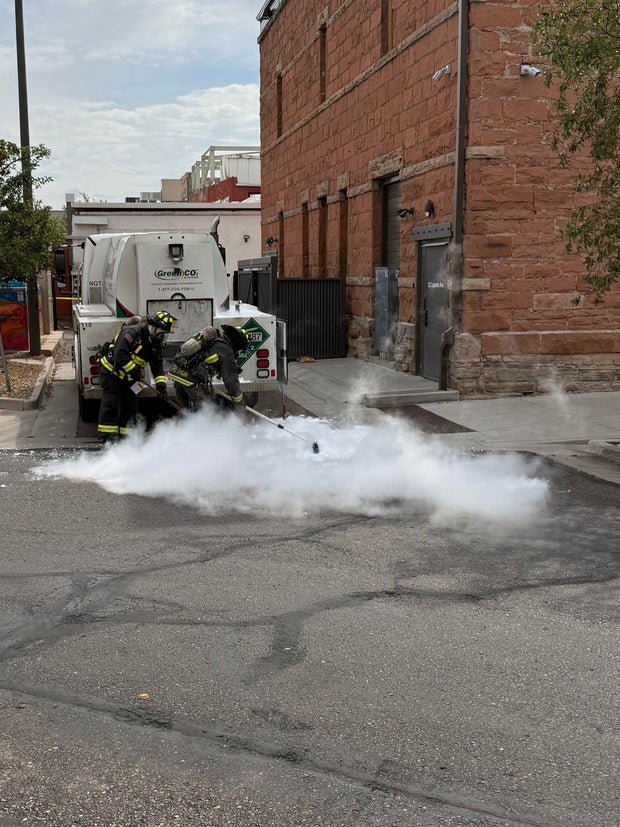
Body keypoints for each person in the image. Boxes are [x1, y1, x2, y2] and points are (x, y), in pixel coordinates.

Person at [97, 310, 177, 441]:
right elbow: (120, 353)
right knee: (111, 405)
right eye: (162, 333)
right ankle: (107, 439)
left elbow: (157, 365)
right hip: (112, 374)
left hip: (130, 378)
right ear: (154, 328)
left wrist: (161, 385)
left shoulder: (154, 343)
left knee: (130, 406)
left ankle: (126, 438)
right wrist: (134, 370)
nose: (163, 337)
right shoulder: (133, 333)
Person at [168, 324, 249, 412]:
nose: (237, 353)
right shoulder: (227, 351)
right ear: (238, 343)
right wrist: (240, 402)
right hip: (192, 382)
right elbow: (231, 381)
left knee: (189, 414)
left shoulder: (212, 342)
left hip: (178, 377)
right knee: (205, 414)